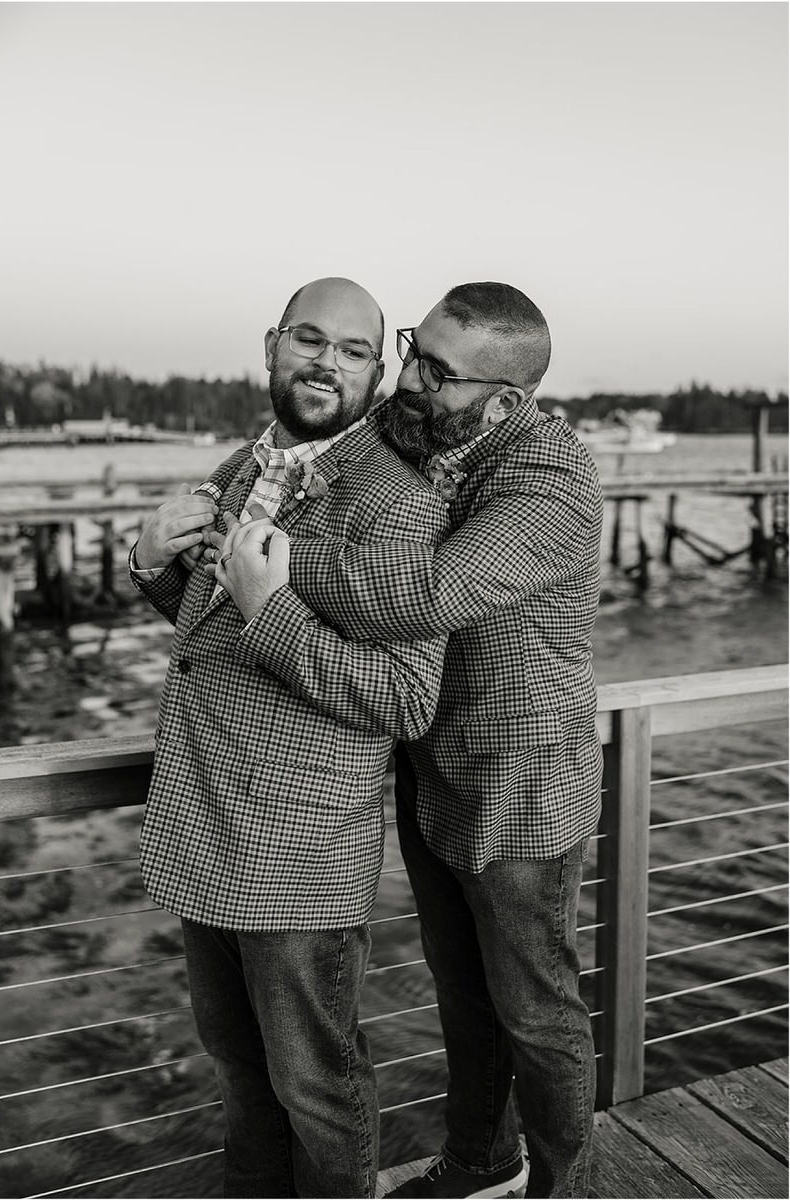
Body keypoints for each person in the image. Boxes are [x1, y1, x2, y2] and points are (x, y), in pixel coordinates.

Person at [224, 283, 604, 1199]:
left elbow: (418, 596)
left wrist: (258, 558)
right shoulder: (427, 435)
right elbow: (326, 461)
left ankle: (563, 1188)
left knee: (537, 1012)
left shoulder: (551, 481)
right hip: (430, 771)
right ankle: (483, 1163)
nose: (408, 377)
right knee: (464, 999)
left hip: (522, 787)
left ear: (505, 402)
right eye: (411, 349)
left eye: (437, 371)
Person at [129, 277, 451, 1199]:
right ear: (271, 344)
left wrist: (270, 609)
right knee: (241, 1083)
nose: (327, 364)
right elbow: (210, 631)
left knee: (317, 1089)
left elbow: (403, 699)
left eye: (353, 351)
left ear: (380, 368)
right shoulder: (245, 465)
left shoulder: (395, 505)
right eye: (310, 341)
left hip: (298, 854)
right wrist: (151, 559)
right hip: (203, 832)